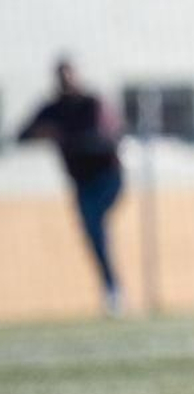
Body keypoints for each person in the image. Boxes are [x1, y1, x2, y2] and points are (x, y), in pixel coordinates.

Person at [18, 58, 125, 315]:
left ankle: (113, 290)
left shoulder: (91, 103)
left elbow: (108, 133)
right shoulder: (52, 109)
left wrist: (72, 139)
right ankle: (112, 290)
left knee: (94, 224)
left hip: (108, 177)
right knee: (93, 232)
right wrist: (45, 132)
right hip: (81, 182)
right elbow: (23, 134)